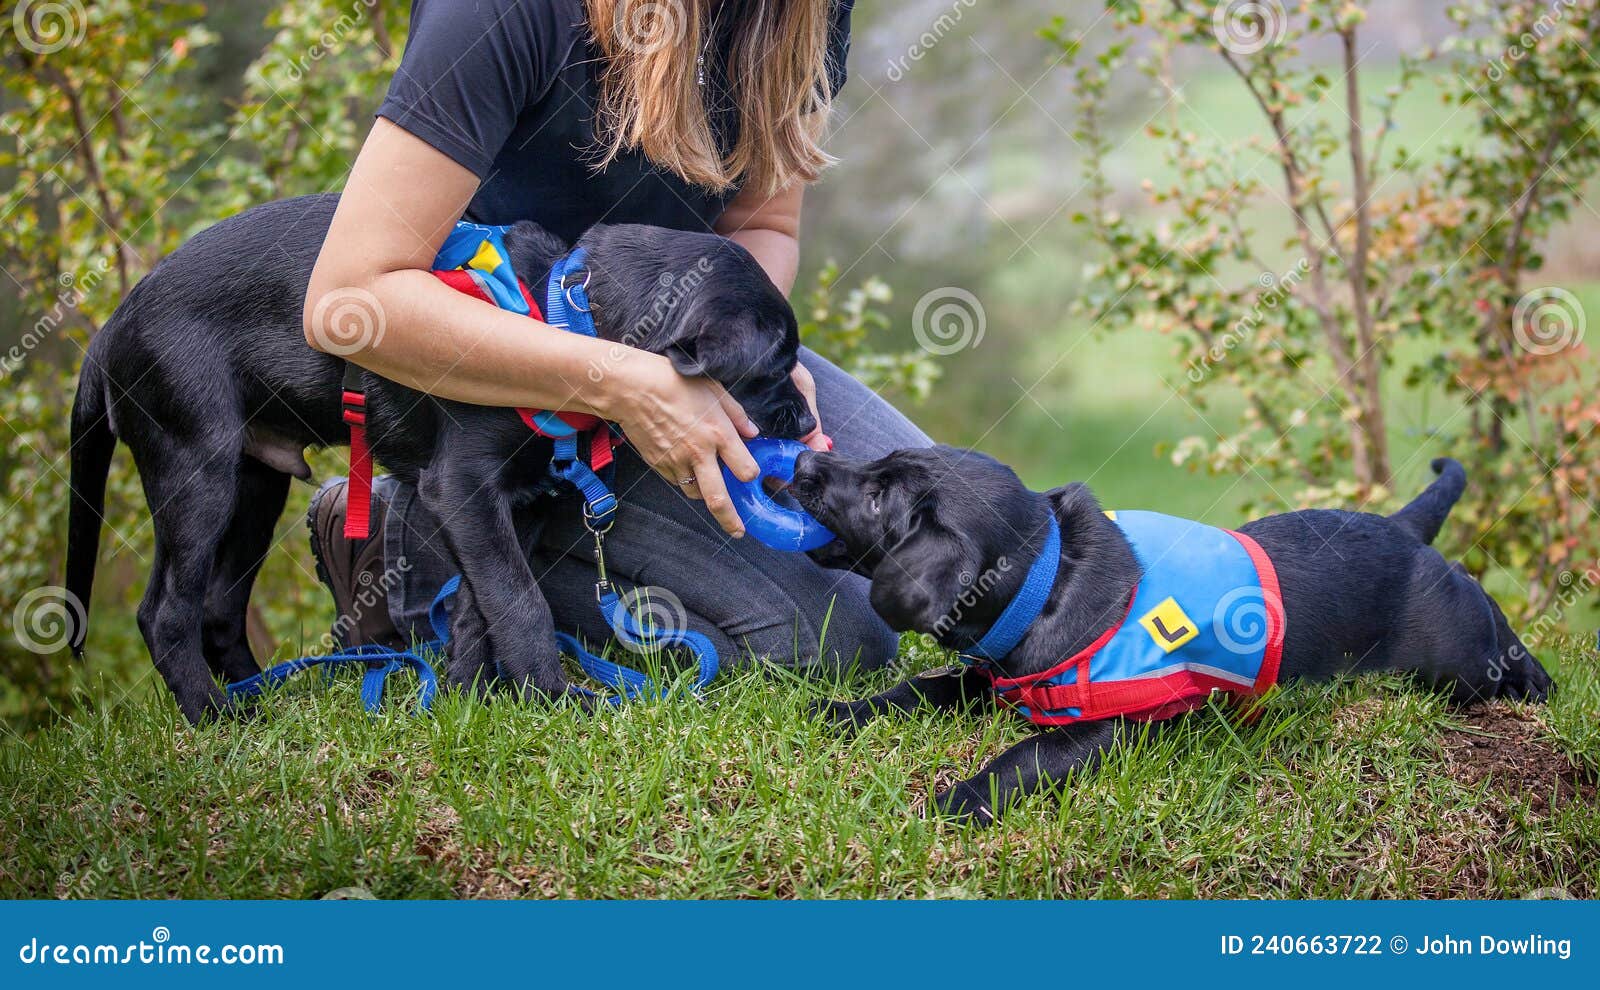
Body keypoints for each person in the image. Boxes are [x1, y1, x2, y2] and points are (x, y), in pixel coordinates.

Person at [303, 0, 927, 671]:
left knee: (920, 528)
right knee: (834, 640)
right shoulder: (499, 12)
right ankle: (412, 539)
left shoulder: (801, 11)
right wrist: (628, 385)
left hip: (676, 358)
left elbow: (762, 227)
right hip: (495, 399)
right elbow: (350, 296)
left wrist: (747, 372)